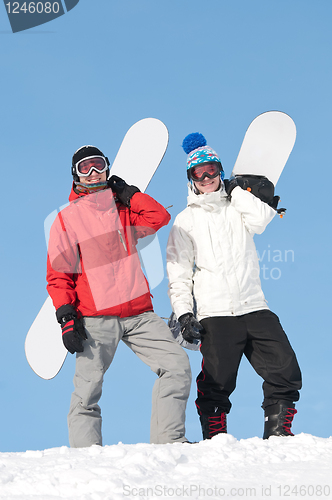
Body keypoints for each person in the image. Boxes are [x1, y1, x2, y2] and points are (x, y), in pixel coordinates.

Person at [46, 145, 191, 447]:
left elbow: (159, 217)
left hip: (139, 313)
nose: (93, 172)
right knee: (88, 389)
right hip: (96, 317)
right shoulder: (67, 219)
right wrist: (67, 317)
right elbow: (59, 275)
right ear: (76, 175)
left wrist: (129, 194)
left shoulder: (124, 209)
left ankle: (169, 442)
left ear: (108, 168)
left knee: (177, 367)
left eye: (98, 165)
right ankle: (86, 456)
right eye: (85, 167)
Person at [166, 133, 302, 440]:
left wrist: (237, 191)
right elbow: (178, 272)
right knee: (217, 379)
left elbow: (261, 221)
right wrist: (185, 313)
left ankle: (279, 432)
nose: (206, 178)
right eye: (199, 174)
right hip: (215, 312)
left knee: (284, 368)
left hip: (254, 305)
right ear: (191, 179)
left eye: (212, 170)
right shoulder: (185, 221)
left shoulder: (237, 206)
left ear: (220, 171)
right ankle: (215, 439)